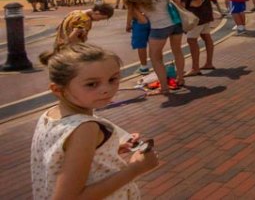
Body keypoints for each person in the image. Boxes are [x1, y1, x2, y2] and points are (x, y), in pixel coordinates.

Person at [31, 44, 160, 199]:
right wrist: (136, 168)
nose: (106, 89)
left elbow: (59, 159)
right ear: (59, 90)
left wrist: (110, 148)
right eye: (92, 84)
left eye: (113, 79)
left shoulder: (50, 116)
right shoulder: (85, 128)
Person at [116, 0, 188, 95]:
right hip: (175, 22)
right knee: (177, 51)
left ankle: (164, 88)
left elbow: (143, 21)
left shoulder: (132, 0)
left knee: (155, 57)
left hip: (159, 27)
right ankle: (180, 78)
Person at [183, 0, 216, 76]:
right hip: (206, 12)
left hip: (197, 14)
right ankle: (209, 62)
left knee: (191, 40)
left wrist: (197, 1)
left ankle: (195, 67)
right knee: (206, 36)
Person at [51, 3, 115, 53]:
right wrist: (68, 44)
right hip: (70, 49)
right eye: (101, 18)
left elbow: (59, 26)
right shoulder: (85, 20)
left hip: (58, 44)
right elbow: (75, 33)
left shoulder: (75, 12)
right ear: (97, 13)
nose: (98, 20)